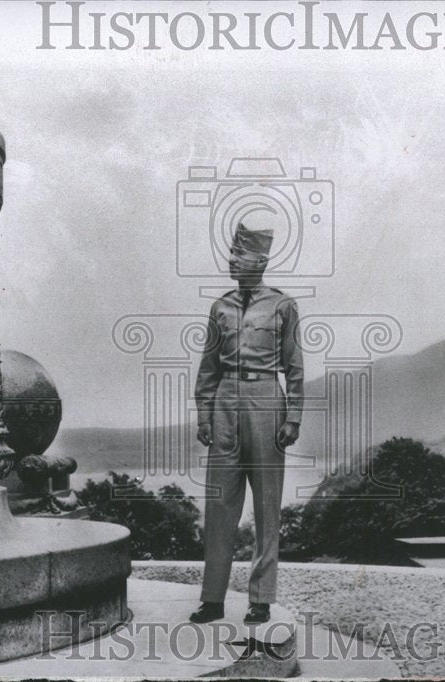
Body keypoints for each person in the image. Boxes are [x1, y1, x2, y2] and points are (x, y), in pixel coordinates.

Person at [189, 219, 303, 625]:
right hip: (225, 403)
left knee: (267, 504)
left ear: (261, 259)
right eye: (232, 253)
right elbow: (207, 367)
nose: (232, 260)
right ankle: (212, 599)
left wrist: (293, 417)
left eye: (239, 254)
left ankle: (260, 599)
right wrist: (204, 412)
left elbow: (294, 367)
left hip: (267, 401)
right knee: (219, 503)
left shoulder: (283, 306)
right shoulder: (219, 306)